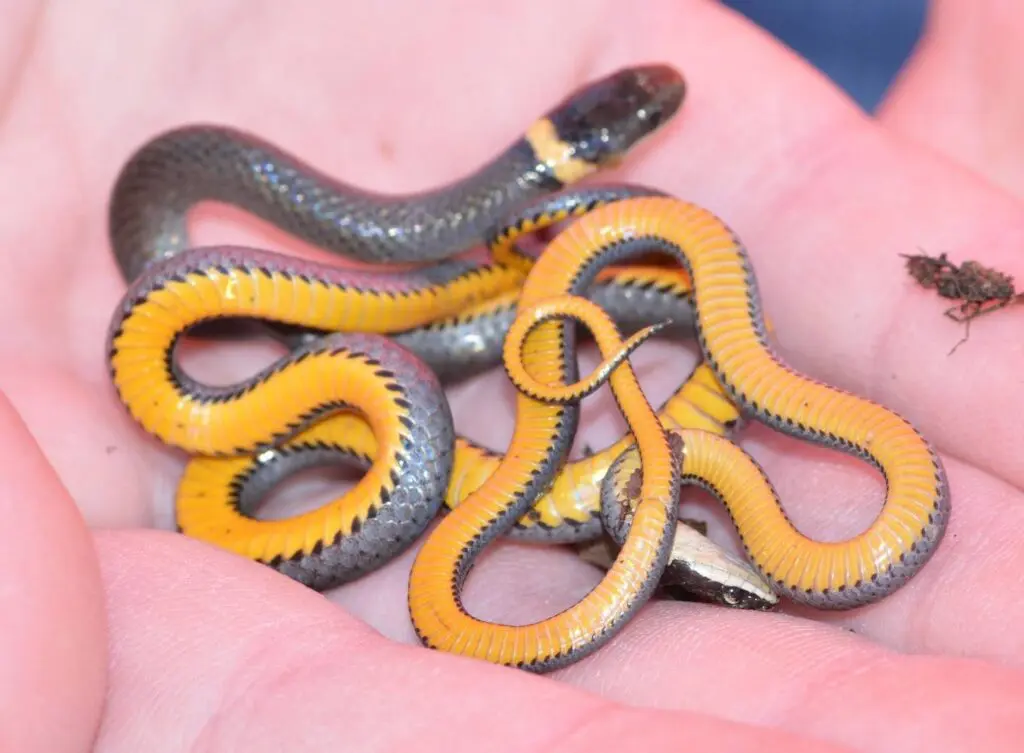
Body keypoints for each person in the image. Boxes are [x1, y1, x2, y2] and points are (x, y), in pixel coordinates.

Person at [2, 1, 1022, 750]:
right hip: (331, 423)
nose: (643, 126)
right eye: (625, 131)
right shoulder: (251, 233)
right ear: (572, 158)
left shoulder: (579, 256)